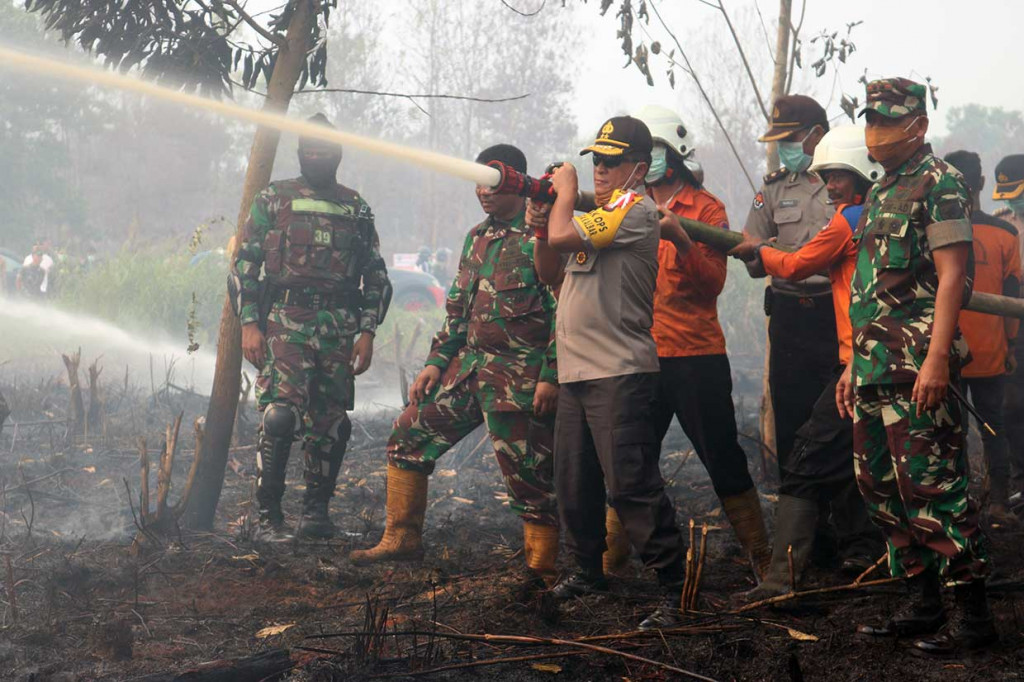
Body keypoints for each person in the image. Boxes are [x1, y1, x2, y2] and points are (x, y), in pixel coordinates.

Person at [349, 144, 561, 591]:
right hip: (467, 372)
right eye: (477, 183)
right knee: (408, 433)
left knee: (530, 477)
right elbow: (457, 311)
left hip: (519, 379)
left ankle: (542, 571)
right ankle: (401, 538)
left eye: (493, 183)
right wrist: (434, 363)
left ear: (518, 183)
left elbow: (565, 313)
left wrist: (550, 376)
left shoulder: (541, 238)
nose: (483, 192)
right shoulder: (477, 237)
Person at [836, 78, 995, 655]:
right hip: (875, 366)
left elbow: (954, 275)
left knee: (934, 489)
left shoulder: (942, 184)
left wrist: (935, 359)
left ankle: (972, 615)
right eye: (869, 119)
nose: (873, 131)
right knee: (879, 485)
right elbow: (872, 288)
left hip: (918, 369)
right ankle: (923, 600)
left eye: (885, 120)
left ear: (918, 125)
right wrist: (853, 361)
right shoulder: (880, 193)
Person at [531, 116, 686, 630]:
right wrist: (540, 224)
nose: (599, 168)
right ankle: (586, 571)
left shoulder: (633, 210)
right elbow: (550, 267)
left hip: (619, 371)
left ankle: (673, 589)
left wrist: (564, 191)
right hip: (577, 371)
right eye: (594, 159)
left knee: (631, 484)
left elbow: (561, 237)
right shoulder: (594, 219)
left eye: (611, 160)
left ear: (638, 169)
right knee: (573, 479)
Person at [603, 104, 769, 582]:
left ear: (671, 155)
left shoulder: (706, 209)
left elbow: (712, 282)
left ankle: (762, 558)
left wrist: (681, 238)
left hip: (695, 357)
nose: (645, 162)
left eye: (651, 152)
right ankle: (611, 562)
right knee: (630, 461)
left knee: (722, 457)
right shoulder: (626, 205)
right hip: (641, 356)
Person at [731, 125, 885, 599]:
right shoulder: (885, 216)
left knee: (807, 460)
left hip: (857, 365)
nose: (830, 185)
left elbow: (797, 265)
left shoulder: (846, 221)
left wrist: (759, 251)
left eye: (837, 175)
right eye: (827, 175)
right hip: (884, 358)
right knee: (880, 465)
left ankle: (782, 581)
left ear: (861, 173)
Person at [233, 113, 391, 542]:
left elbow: (375, 276)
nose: (316, 156)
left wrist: (367, 331)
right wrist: (249, 325)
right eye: (310, 150)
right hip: (285, 320)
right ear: (300, 153)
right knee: (281, 416)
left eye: (324, 150)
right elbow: (244, 266)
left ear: (337, 154)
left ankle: (316, 517)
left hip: (339, 327)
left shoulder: (355, 206)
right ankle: (268, 519)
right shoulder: (273, 198)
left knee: (332, 422)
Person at [944, 150, 1021, 525]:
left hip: (945, 354)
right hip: (991, 351)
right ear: (981, 184)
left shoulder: (934, 228)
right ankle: (999, 504)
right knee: (994, 427)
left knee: (948, 432)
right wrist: (1009, 345)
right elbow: (1012, 296)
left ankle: (956, 504)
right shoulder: (1005, 233)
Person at [993, 154, 1024, 500]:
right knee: (1013, 404)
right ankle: (1021, 479)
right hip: (1014, 320)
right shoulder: (1006, 226)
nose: (1013, 200)